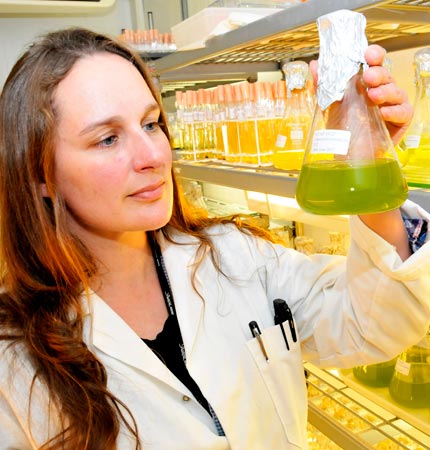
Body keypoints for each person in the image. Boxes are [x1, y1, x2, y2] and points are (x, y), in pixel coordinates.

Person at [0, 27, 428, 450]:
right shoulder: (13, 362)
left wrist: (366, 163)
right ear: (40, 174)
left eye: (151, 124)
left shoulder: (234, 257)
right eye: (108, 138)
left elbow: (372, 325)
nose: (153, 156)